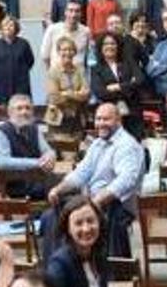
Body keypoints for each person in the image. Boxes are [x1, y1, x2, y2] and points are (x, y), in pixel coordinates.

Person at [43, 103, 144, 259]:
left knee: (75, 216)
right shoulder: (97, 143)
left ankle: (88, 265)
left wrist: (97, 201)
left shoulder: (127, 145)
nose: (101, 123)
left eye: (106, 119)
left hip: (116, 205)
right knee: (50, 215)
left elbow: (126, 181)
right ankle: (57, 267)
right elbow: (81, 173)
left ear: (118, 121)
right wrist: (58, 189)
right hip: (91, 201)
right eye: (98, 119)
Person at [0, 94, 58, 200]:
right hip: (17, 183)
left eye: (28, 108)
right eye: (19, 108)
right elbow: (2, 162)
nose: (24, 112)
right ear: (10, 112)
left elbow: (48, 150)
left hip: (38, 179)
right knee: (59, 189)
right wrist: (38, 163)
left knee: (66, 184)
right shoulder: (1, 132)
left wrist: (50, 157)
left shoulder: (34, 129)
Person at [90, 32, 144, 139]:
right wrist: (129, 86)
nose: (109, 46)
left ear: (118, 46)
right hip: (110, 117)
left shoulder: (128, 62)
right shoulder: (96, 69)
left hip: (132, 113)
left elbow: (140, 81)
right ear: (100, 47)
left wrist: (117, 87)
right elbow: (100, 92)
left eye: (113, 43)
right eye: (106, 44)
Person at [45, 36, 90, 138]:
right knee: (61, 149)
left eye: (71, 49)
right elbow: (54, 98)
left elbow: (86, 94)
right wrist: (76, 94)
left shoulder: (80, 70)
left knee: (76, 148)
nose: (68, 52)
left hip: (76, 118)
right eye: (64, 49)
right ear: (58, 52)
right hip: (58, 118)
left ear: (75, 52)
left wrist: (66, 93)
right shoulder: (53, 71)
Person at [0, 15, 35, 106]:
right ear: (2, 28)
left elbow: (30, 61)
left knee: (21, 106)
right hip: (3, 83)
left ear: (16, 28)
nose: (8, 28)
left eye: (11, 25)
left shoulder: (24, 44)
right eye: (5, 25)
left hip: (21, 83)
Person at [41, 0, 91, 69]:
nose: (73, 15)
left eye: (77, 11)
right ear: (65, 12)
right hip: (57, 75)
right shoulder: (53, 29)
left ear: (81, 13)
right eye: (71, 10)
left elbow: (88, 55)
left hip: (78, 76)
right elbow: (45, 55)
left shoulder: (86, 31)